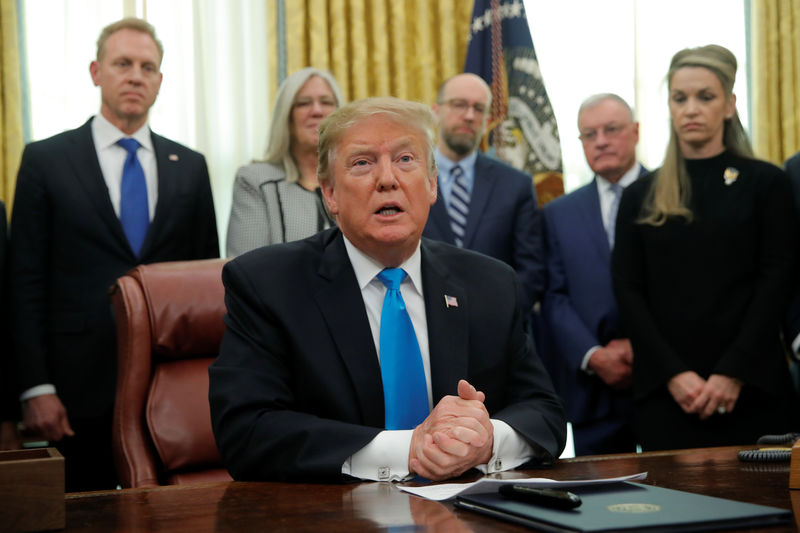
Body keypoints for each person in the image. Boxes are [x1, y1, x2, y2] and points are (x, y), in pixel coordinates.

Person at [209, 97, 566, 482]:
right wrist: (406, 450)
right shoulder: (268, 284)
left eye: (406, 160)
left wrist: (486, 440)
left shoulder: (490, 283)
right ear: (329, 193)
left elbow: (544, 412)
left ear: (432, 185)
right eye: (362, 163)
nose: (387, 179)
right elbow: (247, 432)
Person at [9, 18, 219, 491]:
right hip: (74, 389)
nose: (135, 76)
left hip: (169, 392)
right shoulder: (46, 160)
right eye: (122, 63)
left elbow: (206, 290)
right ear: (95, 71)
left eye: (148, 67)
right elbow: (23, 282)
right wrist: (36, 387)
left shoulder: (190, 167)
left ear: (160, 82)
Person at [612, 44, 798, 451]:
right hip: (666, 396)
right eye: (680, 98)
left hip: (753, 390)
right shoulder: (640, 194)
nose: (691, 109)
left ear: (729, 105)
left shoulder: (767, 183)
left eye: (705, 97)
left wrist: (733, 372)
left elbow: (776, 282)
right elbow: (628, 289)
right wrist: (674, 375)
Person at [540, 94, 646, 456]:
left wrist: (643, 347)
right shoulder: (558, 213)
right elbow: (553, 296)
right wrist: (593, 355)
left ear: (635, 132)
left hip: (666, 383)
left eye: (611, 129)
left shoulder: (673, 196)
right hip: (591, 390)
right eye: (589, 134)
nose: (600, 141)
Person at [422, 73, 544, 311]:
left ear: (488, 120)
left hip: (497, 328)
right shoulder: (408, 178)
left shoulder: (515, 185)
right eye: (459, 105)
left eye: (479, 109)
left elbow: (532, 272)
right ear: (436, 111)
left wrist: (496, 320)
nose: (469, 116)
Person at [226, 68, 342, 256]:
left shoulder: (358, 180)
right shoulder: (255, 181)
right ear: (286, 117)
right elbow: (245, 271)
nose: (317, 111)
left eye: (326, 102)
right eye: (303, 103)